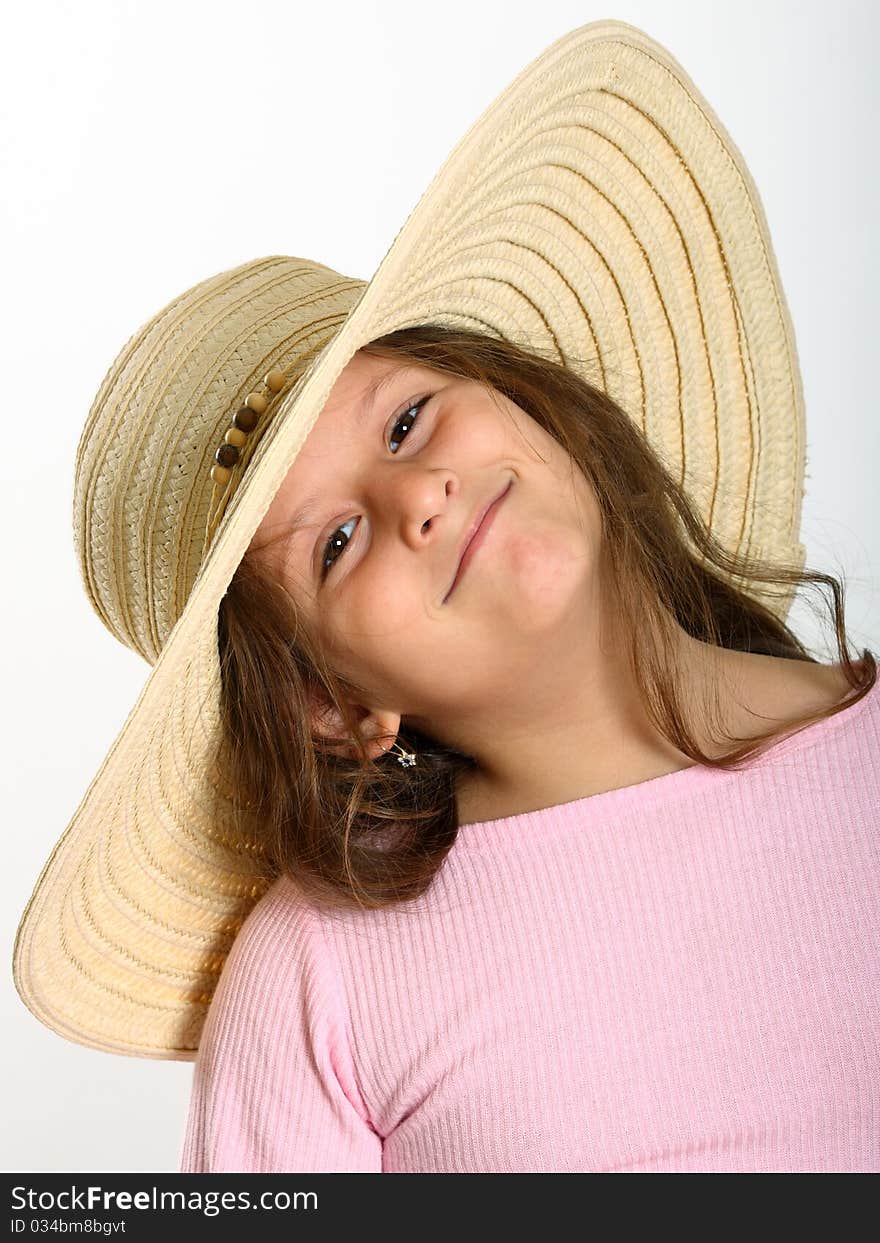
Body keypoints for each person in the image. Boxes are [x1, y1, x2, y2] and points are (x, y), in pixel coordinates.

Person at [12, 21, 879, 1174]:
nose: (418, 495)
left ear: (540, 402)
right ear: (332, 705)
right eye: (333, 541)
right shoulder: (326, 982)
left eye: (408, 419)